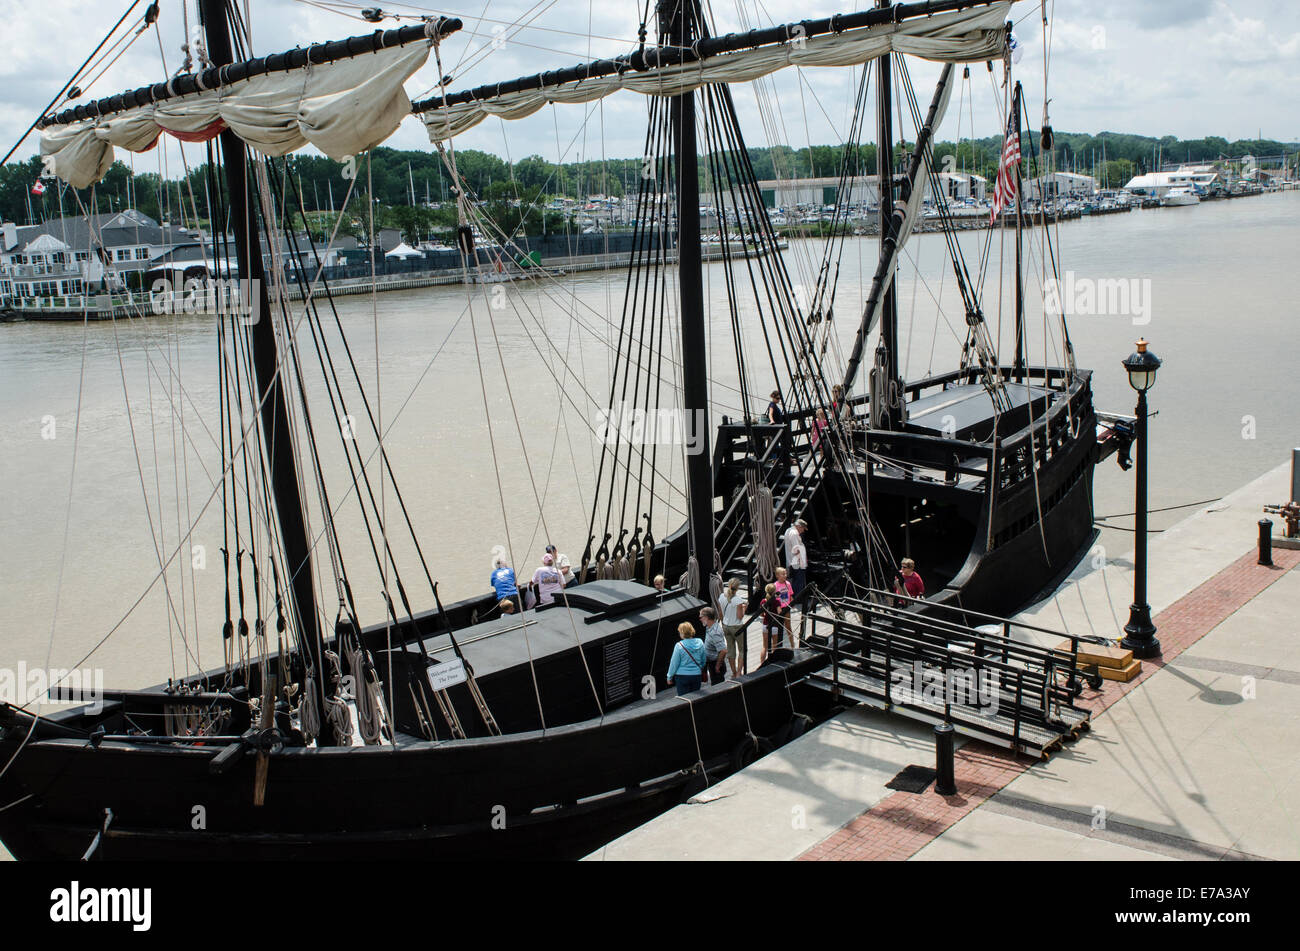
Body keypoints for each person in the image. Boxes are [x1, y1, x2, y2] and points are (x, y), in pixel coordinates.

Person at [666, 622, 706, 696]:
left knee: (685, 700)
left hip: (682, 676)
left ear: (682, 633)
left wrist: (669, 677)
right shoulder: (700, 642)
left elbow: (674, 663)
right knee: (696, 699)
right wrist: (700, 668)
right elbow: (703, 659)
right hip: (696, 675)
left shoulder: (679, 646)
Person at [718, 578, 747, 677]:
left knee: (730, 650)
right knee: (742, 650)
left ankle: (734, 673)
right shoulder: (738, 600)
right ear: (737, 588)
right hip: (737, 627)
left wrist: (723, 624)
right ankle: (739, 672)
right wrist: (744, 608)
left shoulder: (721, 597)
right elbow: (740, 616)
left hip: (726, 626)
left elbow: (720, 614)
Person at [700, 606, 728, 686]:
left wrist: (717, 665)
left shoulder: (715, 633)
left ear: (706, 617)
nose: (700, 619)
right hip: (711, 663)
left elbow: (723, 650)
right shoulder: (709, 627)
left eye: (701, 617)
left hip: (716, 665)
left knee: (718, 687)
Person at [783, 518, 808, 600]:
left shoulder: (788, 530)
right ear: (799, 526)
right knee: (798, 581)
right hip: (797, 561)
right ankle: (798, 598)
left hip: (792, 560)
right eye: (803, 529)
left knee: (794, 580)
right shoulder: (794, 534)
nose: (803, 531)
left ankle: (793, 597)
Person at [759, 583, 783, 661]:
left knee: (764, 647)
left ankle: (762, 663)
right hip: (774, 625)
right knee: (774, 646)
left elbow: (762, 614)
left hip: (765, 625)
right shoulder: (777, 602)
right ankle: (773, 663)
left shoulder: (763, 601)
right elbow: (780, 613)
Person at [773, 567, 795, 645]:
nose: (785, 575)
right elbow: (775, 598)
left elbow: (791, 595)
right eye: (783, 574)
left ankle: (792, 644)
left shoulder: (788, 584)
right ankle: (777, 646)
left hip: (786, 607)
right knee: (779, 627)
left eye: (785, 574)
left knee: (788, 626)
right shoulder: (775, 585)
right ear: (777, 575)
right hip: (779, 608)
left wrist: (792, 603)